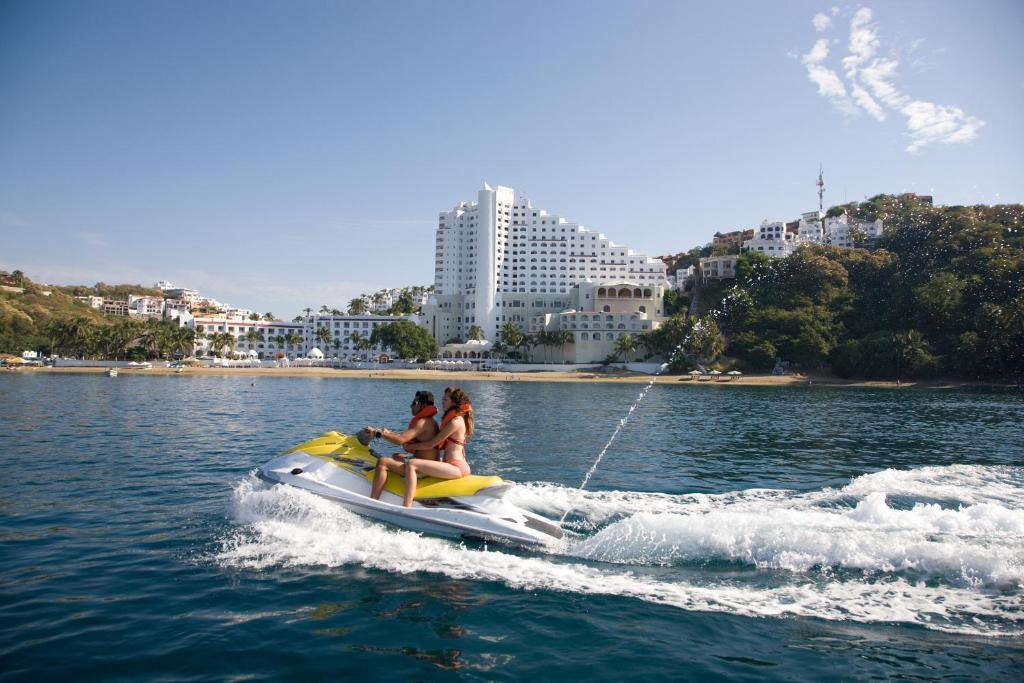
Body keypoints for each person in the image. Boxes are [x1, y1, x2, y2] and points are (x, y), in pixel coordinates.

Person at [390, 386, 474, 507]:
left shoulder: (455, 421)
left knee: (412, 464)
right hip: (452, 463)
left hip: (456, 467)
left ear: (454, 402)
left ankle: (406, 506)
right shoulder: (456, 419)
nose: (442, 402)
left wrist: (406, 444)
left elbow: (431, 444)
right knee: (398, 457)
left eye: (445, 399)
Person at [366, 390, 440, 500]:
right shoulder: (430, 421)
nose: (411, 406)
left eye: (414, 403)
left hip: (423, 469)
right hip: (425, 462)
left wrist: (378, 433)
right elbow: (405, 437)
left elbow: (400, 440)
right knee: (396, 456)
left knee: (383, 462)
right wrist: (388, 433)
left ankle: (373, 500)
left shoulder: (422, 422)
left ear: (423, 406)